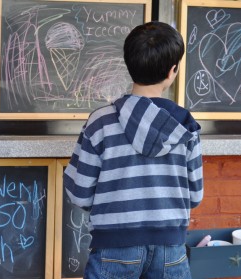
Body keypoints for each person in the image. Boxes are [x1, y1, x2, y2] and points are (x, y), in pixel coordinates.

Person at [63, 21, 203, 279]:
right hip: (170, 250)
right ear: (173, 70)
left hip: (113, 247)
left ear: (129, 65)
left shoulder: (100, 122)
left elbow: (79, 193)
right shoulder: (185, 126)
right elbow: (195, 196)